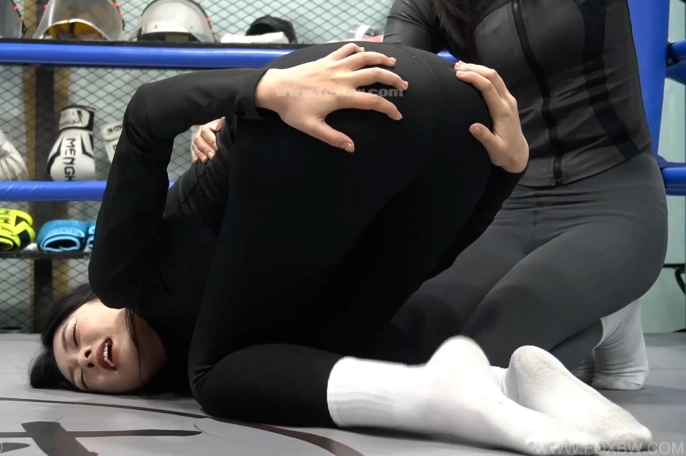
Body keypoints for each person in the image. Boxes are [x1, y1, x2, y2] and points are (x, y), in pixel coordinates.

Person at [29, 42, 652, 454]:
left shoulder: (125, 275)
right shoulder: (256, 349)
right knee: (354, 340)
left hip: (329, 103)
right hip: (460, 132)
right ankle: (510, 383)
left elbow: (145, 115)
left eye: (73, 338)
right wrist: (505, 174)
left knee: (217, 380)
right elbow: (418, 263)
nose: (87, 359)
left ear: (88, 305)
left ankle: (446, 394)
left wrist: (262, 86)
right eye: (80, 376)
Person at [193, 0, 668, 391]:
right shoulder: (429, 4)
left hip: (613, 200)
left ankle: (611, 318)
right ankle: (607, 313)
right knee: (392, 349)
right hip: (512, 205)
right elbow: (389, 76)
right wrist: (255, 101)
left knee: (485, 359)